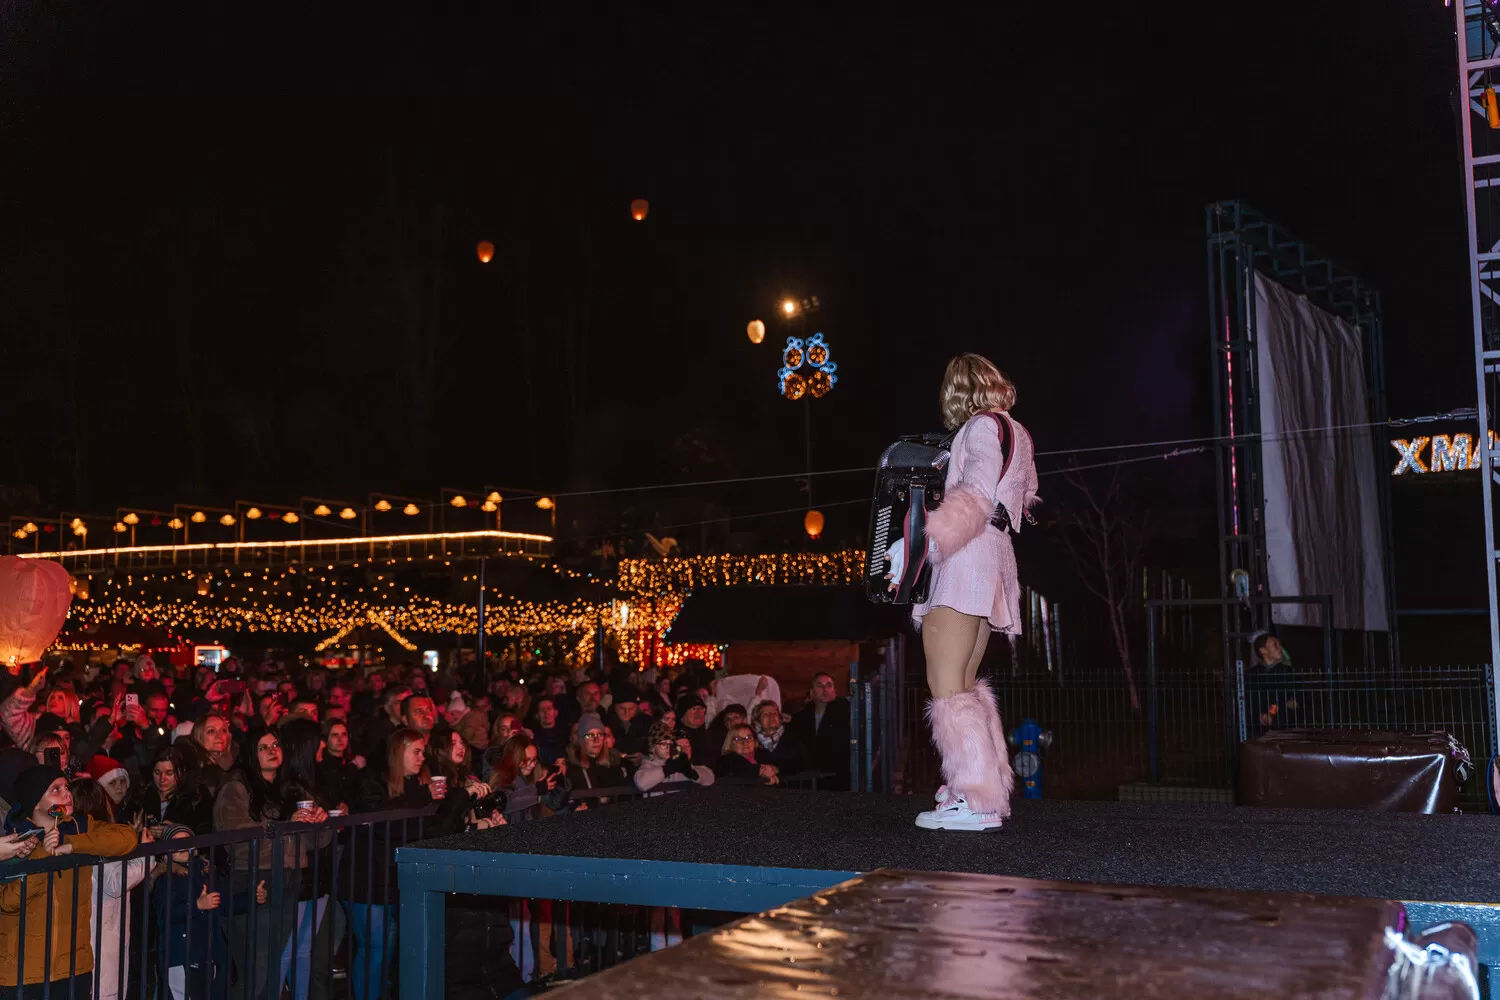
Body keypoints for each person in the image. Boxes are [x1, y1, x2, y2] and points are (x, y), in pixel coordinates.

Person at [885, 353, 1035, 832]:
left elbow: (975, 495)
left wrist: (921, 542)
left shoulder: (979, 428)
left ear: (956, 390)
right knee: (965, 683)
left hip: (967, 557)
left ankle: (974, 798)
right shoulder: (1017, 431)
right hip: (996, 557)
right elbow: (1018, 501)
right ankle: (981, 791)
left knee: (946, 685)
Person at [347, 729, 473, 1000]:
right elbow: (379, 821)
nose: (421, 757)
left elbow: (430, 828)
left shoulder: (416, 783)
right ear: (398, 751)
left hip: (395, 877)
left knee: (388, 948)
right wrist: (423, 795)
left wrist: (457, 799)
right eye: (415, 751)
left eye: (422, 752)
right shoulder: (371, 779)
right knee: (375, 948)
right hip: (366, 877)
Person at [0, 765, 138, 996]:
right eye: (56, 789)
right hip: (23, 972)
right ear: (35, 803)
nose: (67, 794)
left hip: (74, 968)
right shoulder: (14, 841)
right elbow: (8, 903)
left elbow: (127, 837)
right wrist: (44, 856)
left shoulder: (79, 827)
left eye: (66, 786)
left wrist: (71, 844)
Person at [214, 729, 322, 1000]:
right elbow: (233, 835)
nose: (272, 751)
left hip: (288, 879)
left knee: (273, 964)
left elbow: (316, 842)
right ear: (252, 754)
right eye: (263, 747)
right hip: (252, 880)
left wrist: (321, 821)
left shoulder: (293, 788)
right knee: (255, 971)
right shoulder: (237, 787)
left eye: (275, 745)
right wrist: (284, 827)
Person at [152, 824, 269, 1000]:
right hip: (181, 957)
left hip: (210, 957)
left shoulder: (205, 875)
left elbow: (226, 904)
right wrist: (196, 906)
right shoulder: (165, 879)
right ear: (167, 851)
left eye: (187, 840)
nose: (182, 846)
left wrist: (254, 898)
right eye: (176, 842)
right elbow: (166, 914)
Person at [72, 778, 147, 1000]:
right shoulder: (104, 840)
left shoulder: (74, 838)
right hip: (101, 933)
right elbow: (115, 881)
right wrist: (146, 855)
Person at [788, 673, 852, 790]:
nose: (825, 689)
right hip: (809, 780)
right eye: (819, 685)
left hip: (841, 778)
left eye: (829, 685)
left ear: (834, 691)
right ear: (811, 692)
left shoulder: (848, 713)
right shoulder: (800, 719)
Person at [132, 745, 213, 834]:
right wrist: (136, 833)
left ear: (182, 771)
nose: (162, 779)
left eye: (169, 773)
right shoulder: (142, 797)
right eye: (157, 773)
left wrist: (179, 832)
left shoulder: (196, 797)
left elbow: (206, 832)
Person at [563, 715, 628, 806]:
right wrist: (573, 808)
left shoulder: (615, 764)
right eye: (590, 735)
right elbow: (562, 799)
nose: (596, 740)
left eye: (600, 734)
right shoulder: (571, 768)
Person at [633, 722, 714, 793]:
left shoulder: (677, 762)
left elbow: (710, 779)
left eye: (671, 744)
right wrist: (667, 769)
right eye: (663, 744)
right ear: (653, 748)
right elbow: (642, 783)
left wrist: (691, 772)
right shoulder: (648, 765)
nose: (668, 747)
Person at [750, 701, 809, 777]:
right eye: (765, 714)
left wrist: (777, 769)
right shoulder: (752, 743)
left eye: (774, 713)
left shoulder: (794, 738)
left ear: (780, 718)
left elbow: (803, 764)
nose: (771, 716)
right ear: (757, 721)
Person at [716, 724, 781, 785]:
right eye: (738, 739)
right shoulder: (725, 761)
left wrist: (773, 769)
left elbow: (780, 765)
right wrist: (761, 770)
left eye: (749, 737)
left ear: (755, 741)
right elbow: (741, 768)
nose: (745, 742)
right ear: (731, 744)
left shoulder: (762, 755)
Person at [674, 695, 719, 767]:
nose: (699, 712)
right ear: (682, 713)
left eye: (702, 709)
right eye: (694, 709)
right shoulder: (675, 737)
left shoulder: (712, 737)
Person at [528, 697, 568, 766]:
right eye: (542, 710)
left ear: (556, 712)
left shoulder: (566, 733)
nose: (546, 712)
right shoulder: (533, 736)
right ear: (537, 715)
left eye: (549, 708)